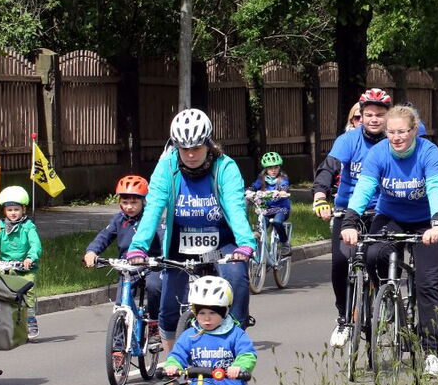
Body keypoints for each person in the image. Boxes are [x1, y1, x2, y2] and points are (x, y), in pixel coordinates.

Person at [126, 108, 256, 354]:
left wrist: (246, 244)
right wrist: (138, 247)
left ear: (208, 144)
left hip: (222, 241)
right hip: (181, 240)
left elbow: (235, 206)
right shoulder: (166, 166)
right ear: (176, 147)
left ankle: (235, 342)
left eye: (197, 147)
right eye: (184, 149)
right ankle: (172, 365)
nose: (191, 154)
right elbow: (153, 206)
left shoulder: (225, 167)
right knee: (169, 304)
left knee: (237, 277)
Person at [340, 104, 438, 378]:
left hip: (426, 222)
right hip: (390, 217)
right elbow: (365, 188)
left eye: (402, 131)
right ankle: (383, 304)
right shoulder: (378, 154)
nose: (396, 137)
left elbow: (436, 188)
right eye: (391, 132)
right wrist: (350, 220)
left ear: (414, 130)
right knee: (373, 255)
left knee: (428, 284)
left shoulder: (428, 152)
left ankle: (430, 351)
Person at [311, 88, 392, 345]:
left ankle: (383, 299)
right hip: (348, 212)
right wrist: (320, 196)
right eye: (368, 114)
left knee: (377, 258)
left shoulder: (394, 142)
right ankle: (344, 318)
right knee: (339, 263)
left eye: (380, 115)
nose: (374, 119)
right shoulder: (348, 140)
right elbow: (329, 167)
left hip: (382, 211)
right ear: (360, 116)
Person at [84, 175, 164, 336]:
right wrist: (91, 251)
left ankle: (155, 322)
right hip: (128, 267)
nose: (129, 207)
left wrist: (163, 256)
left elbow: (163, 235)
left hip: (150, 265)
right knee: (121, 303)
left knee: (154, 287)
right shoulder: (118, 220)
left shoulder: (151, 218)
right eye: (125, 202)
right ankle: (118, 348)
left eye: (134, 202)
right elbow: (104, 236)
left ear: (144, 201)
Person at [0, 185, 42, 339]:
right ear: (4, 212)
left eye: (16, 209)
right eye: (9, 210)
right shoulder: (1, 227)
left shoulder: (28, 226)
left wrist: (30, 257)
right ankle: (6, 325)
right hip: (7, 268)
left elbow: (36, 244)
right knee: (3, 295)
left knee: (28, 295)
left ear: (23, 210)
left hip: (26, 269)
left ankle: (31, 320)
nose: (13, 213)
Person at [246, 151, 292, 256]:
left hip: (281, 209)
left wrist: (281, 192)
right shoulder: (262, 179)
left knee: (277, 222)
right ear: (266, 169)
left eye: (276, 167)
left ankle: (285, 243)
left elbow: (284, 186)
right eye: (270, 168)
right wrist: (248, 191)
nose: (273, 170)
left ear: (279, 168)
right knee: (260, 227)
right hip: (266, 209)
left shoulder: (282, 179)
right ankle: (259, 252)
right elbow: (254, 186)